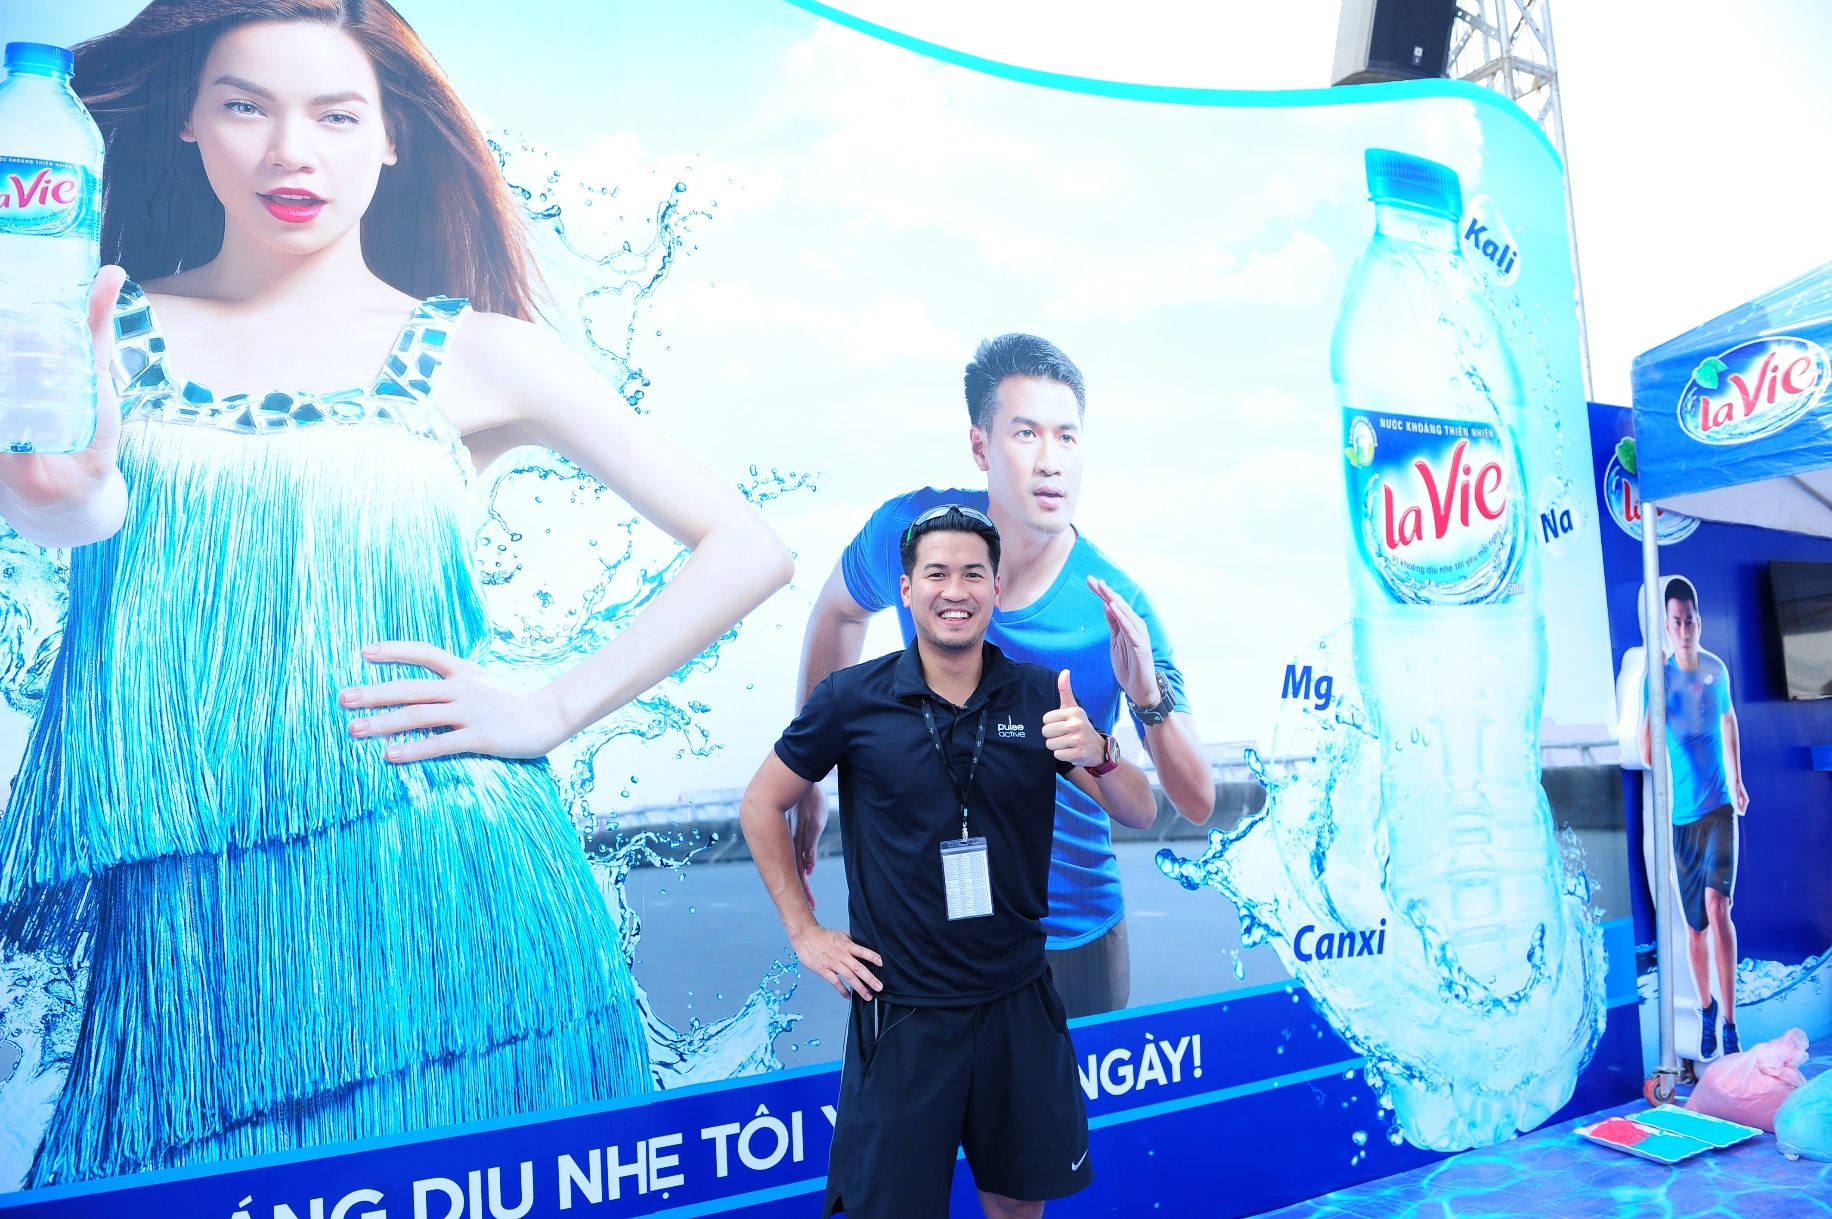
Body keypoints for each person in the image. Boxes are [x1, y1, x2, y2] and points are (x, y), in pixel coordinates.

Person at [0, 0, 791, 1184]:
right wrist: (51, 493)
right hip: (201, 959)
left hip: (468, 905)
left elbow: (746, 546)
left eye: (334, 115)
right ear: (188, 124)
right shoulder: (96, 329)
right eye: (245, 107)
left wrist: (546, 706)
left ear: (389, 138)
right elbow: (70, 513)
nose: (290, 153)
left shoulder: (477, 352)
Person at [741, 506, 1157, 1219]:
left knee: (1017, 1209)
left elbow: (1140, 810)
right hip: (903, 1011)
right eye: (936, 573)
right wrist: (804, 931)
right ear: (906, 590)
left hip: (1016, 1003)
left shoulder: (1040, 694)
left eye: (973, 573)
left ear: (996, 588)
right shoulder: (851, 700)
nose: (954, 590)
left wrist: (1102, 751)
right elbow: (760, 804)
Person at [792, 333, 1213, 1017]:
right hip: (926, 928)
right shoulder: (913, 533)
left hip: (1066, 934)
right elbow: (839, 611)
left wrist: (1147, 695)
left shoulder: (1115, 609)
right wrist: (810, 775)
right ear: (981, 447)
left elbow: (1195, 800)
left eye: (1067, 437)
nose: (1051, 461)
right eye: (1026, 433)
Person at [1640, 576, 1750, 1058]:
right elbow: (1648, 754)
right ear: (1667, 627)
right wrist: (1658, 702)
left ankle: (1731, 1022)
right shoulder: (1658, 679)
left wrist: (1738, 779)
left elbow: (1729, 720)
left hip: (1720, 810)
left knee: (1718, 908)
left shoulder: (1715, 670)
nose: (1684, 630)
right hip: (1682, 820)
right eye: (1676, 622)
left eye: (1690, 621)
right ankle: (1706, 1008)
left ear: (1699, 623)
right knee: (1695, 929)